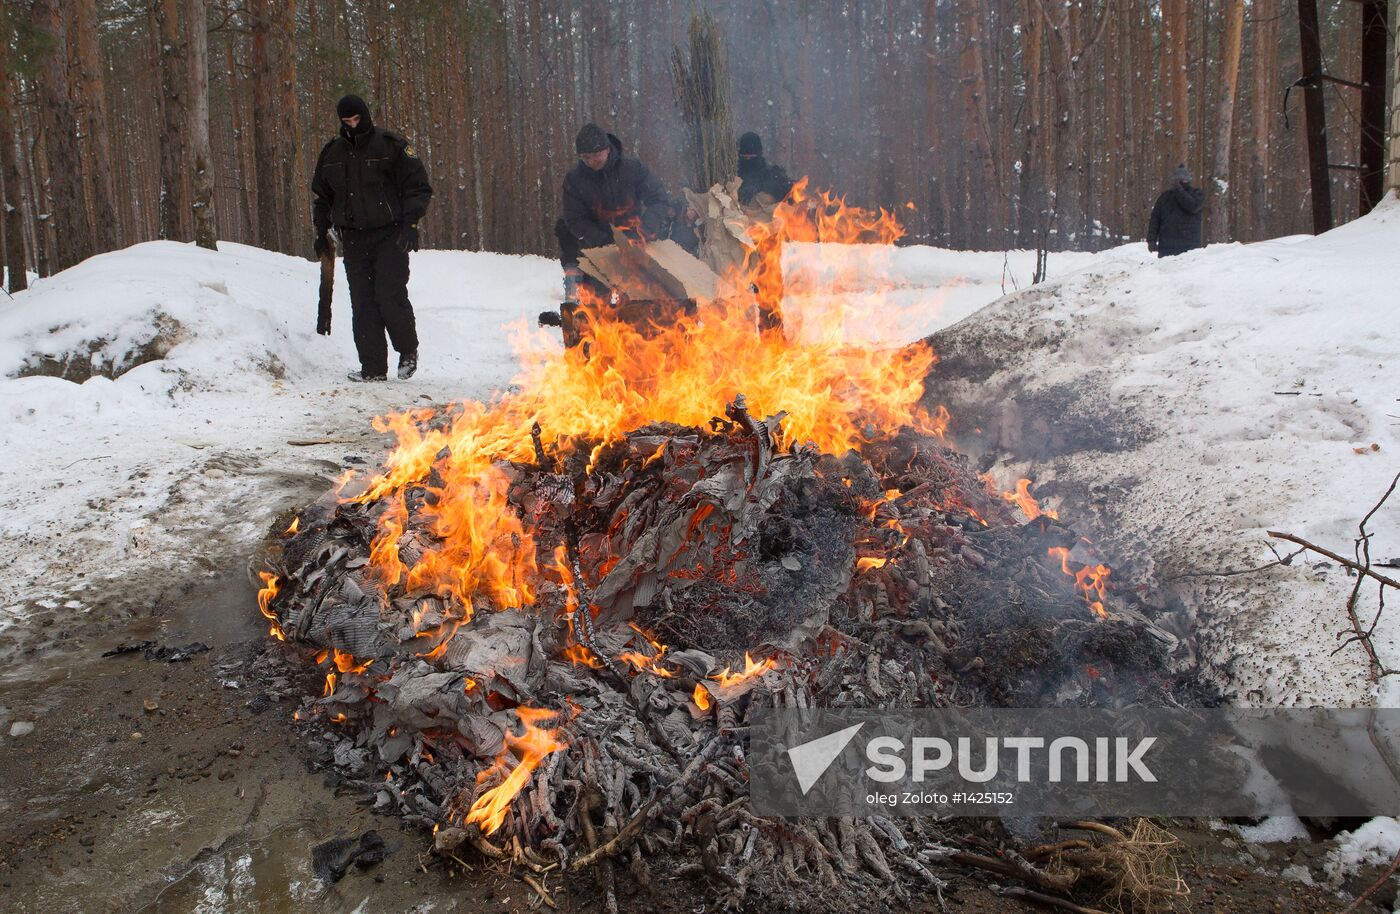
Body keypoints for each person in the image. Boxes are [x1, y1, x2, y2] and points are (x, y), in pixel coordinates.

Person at [311, 94, 433, 381]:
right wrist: (321, 232)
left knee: (389, 295)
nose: (353, 125)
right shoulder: (332, 154)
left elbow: (417, 187)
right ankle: (373, 367)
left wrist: (410, 224)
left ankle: (408, 351)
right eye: (347, 121)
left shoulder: (391, 146)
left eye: (357, 119)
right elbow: (323, 198)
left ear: (365, 115)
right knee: (363, 303)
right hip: (353, 238)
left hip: (389, 235)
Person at [555, 123, 674, 303]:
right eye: (585, 157)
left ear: (607, 150)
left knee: (645, 303)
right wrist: (605, 242)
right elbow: (575, 219)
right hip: (598, 248)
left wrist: (645, 230)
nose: (591, 161)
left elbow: (658, 199)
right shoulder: (574, 179)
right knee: (595, 309)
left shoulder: (633, 169)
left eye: (596, 156)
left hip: (636, 245)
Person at [1147, 165, 1205, 258]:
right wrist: (1151, 240)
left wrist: (1179, 191)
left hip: (1189, 248)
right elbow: (1155, 219)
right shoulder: (1165, 197)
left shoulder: (1197, 194)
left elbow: (1192, 206)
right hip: (1167, 247)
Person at [736, 132, 794, 206]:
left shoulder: (770, 173)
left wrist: (758, 185)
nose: (748, 159)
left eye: (752, 157)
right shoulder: (733, 174)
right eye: (745, 157)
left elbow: (789, 190)